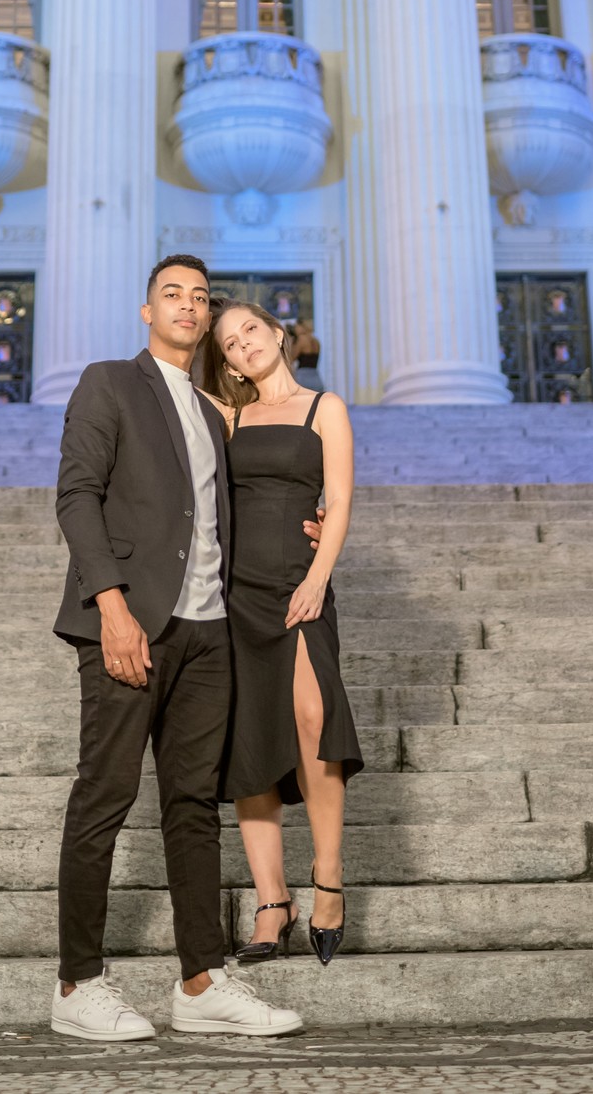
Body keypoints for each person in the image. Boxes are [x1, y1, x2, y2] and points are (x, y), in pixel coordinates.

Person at [50, 255, 305, 1044]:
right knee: (105, 796)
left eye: (200, 297)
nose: (190, 306)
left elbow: (238, 505)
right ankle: (77, 984)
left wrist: (314, 520)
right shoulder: (109, 382)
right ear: (146, 310)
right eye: (174, 294)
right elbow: (76, 493)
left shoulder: (210, 405)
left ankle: (199, 980)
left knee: (193, 808)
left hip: (208, 634)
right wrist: (111, 608)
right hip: (132, 625)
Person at [199, 302, 361, 969]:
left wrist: (319, 576)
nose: (243, 348)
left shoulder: (326, 407)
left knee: (312, 716)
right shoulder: (227, 415)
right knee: (250, 739)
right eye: (231, 345)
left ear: (277, 332)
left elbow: (342, 500)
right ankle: (273, 902)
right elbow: (164, 381)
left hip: (299, 583)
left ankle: (328, 882)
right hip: (235, 595)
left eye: (250, 333)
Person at [290, 316, 324, 394]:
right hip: (316, 376)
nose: (295, 329)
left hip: (302, 377)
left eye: (296, 326)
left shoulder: (301, 339)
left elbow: (291, 358)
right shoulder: (316, 341)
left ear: (300, 327)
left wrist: (291, 343)